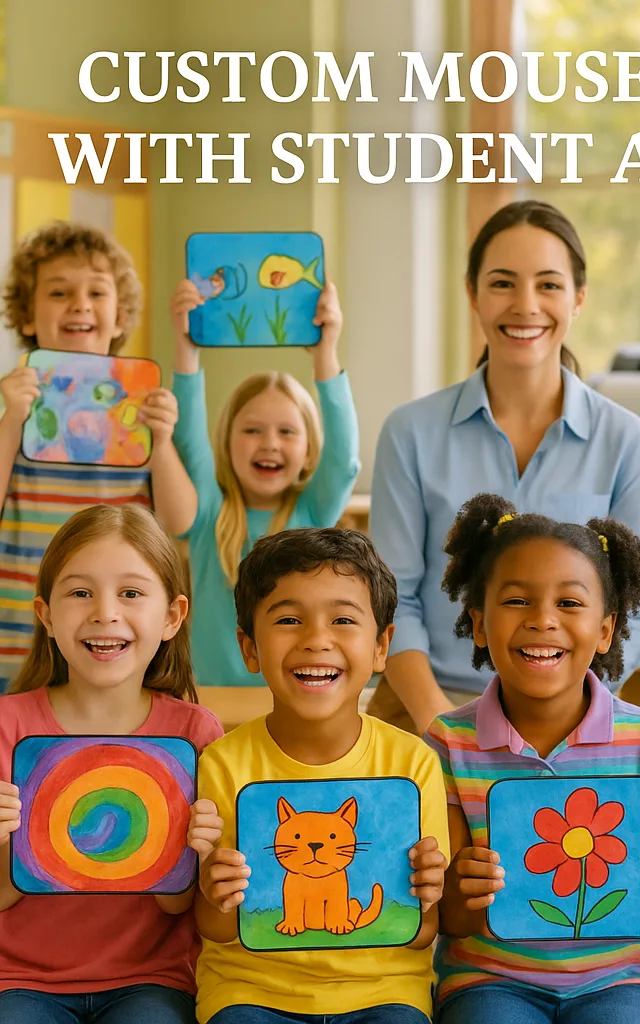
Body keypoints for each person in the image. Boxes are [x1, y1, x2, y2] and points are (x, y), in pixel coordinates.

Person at [369, 200, 640, 735]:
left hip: (572, 713)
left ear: (578, 298)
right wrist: (443, 726)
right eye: (502, 283)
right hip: (426, 709)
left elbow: (633, 605)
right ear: (472, 294)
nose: (525, 305)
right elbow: (390, 598)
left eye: (548, 285)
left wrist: (567, 711)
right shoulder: (409, 432)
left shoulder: (626, 440)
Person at [425, 494, 640, 1024]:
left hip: (616, 981)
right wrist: (459, 890)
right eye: (516, 601)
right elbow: (449, 919)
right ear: (479, 624)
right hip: (488, 981)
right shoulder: (448, 743)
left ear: (605, 630)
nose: (543, 620)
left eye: (569, 603)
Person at [188, 527, 449, 1024]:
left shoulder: (414, 764)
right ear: (249, 648)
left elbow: (421, 933)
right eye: (289, 620)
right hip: (249, 991)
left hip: (385, 992)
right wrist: (216, 893)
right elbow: (216, 930)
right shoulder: (222, 764)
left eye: (343, 620)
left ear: (381, 646)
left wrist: (428, 896)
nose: (316, 640)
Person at [0, 503, 224, 1023]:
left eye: (131, 593)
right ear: (46, 615)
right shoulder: (7, 726)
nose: (105, 612)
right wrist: (10, 846)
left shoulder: (194, 733)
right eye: (80, 593)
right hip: (18, 980)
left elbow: (175, 905)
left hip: (151, 980)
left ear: (172, 617)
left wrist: (193, 850)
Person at [0, 222, 189, 692]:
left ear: (120, 317)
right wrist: (11, 420)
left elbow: (180, 521)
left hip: (114, 641)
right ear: (27, 316)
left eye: (96, 293)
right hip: (19, 641)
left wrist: (162, 442)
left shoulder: (140, 409)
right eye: (59, 292)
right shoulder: (13, 405)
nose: (80, 304)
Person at [156, 278, 360, 687]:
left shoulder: (312, 514)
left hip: (294, 699)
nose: (269, 444)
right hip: (214, 703)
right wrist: (186, 345)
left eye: (287, 432)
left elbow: (343, 461)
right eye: (252, 430)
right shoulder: (211, 511)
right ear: (227, 442)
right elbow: (188, 439)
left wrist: (326, 354)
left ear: (309, 450)